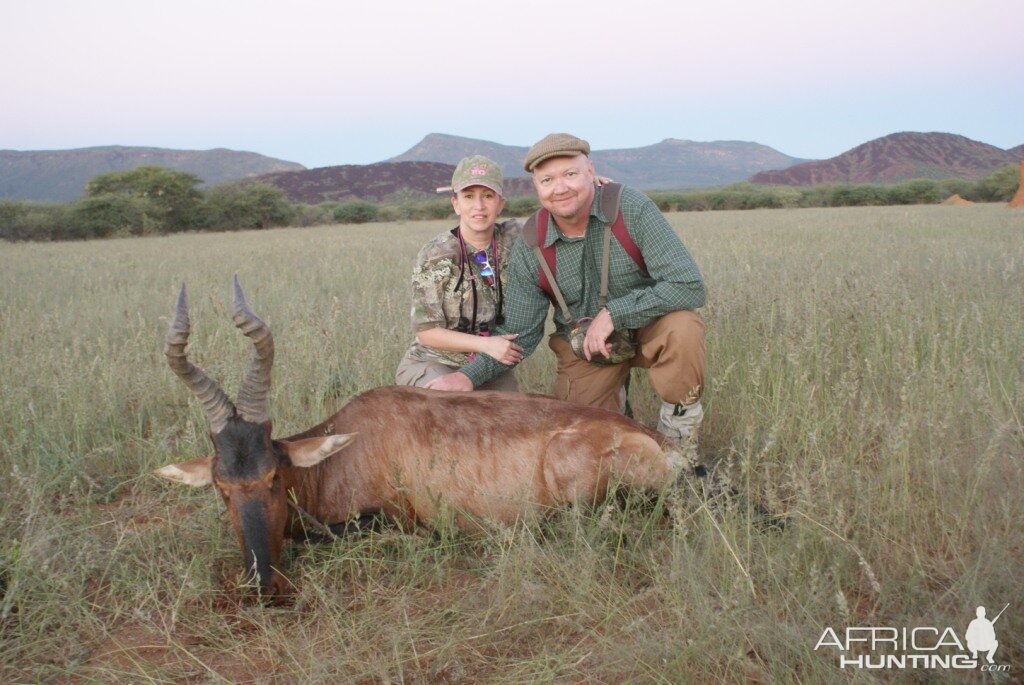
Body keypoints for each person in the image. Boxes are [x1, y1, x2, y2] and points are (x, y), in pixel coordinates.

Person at [426, 133, 707, 450]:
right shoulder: (531, 242)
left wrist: (616, 313)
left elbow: (688, 285)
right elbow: (521, 332)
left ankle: (680, 445)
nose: (560, 188)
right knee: (580, 443)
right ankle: (620, 412)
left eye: (570, 174)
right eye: (547, 180)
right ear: (537, 188)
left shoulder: (631, 207)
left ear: (591, 172)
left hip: (649, 328)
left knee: (683, 327)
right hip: (586, 348)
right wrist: (468, 377)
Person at [395, 155, 524, 391]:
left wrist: (587, 186)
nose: (479, 206)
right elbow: (427, 332)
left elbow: (557, 216)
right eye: (468, 196)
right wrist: (487, 345)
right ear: (456, 204)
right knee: (454, 408)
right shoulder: (436, 254)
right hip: (435, 360)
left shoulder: (514, 236)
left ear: (501, 203)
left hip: (488, 364)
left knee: (513, 419)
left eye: (487, 196)